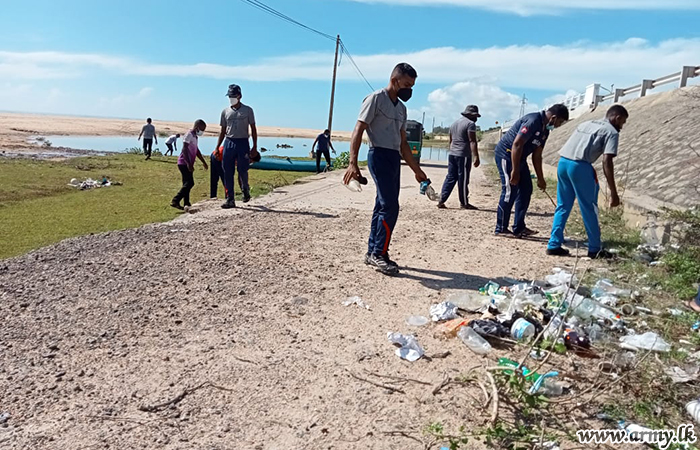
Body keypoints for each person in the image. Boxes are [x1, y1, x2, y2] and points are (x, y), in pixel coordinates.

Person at [343, 62, 428, 276]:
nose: (410, 90)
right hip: (378, 155)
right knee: (390, 207)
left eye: (412, 86)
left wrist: (417, 170)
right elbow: (358, 129)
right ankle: (379, 254)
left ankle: (373, 251)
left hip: (393, 158)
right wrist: (352, 162)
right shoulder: (375, 99)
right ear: (395, 80)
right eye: (407, 84)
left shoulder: (401, 108)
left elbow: (403, 144)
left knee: (382, 205)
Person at [546, 105, 629, 259]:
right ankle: (595, 249)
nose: (621, 127)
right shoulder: (611, 132)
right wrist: (613, 193)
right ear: (617, 118)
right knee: (589, 208)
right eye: (622, 122)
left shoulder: (586, 123)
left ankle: (553, 244)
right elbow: (607, 161)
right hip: (581, 167)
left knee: (563, 205)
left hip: (563, 163)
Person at [494, 104, 569, 238]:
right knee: (510, 190)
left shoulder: (545, 131)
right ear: (553, 117)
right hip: (506, 154)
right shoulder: (533, 121)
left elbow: (537, 155)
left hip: (520, 157)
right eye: (560, 122)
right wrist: (515, 171)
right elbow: (517, 144)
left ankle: (519, 227)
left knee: (526, 189)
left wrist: (541, 178)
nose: (558, 125)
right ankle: (501, 228)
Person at [215, 84, 257, 208]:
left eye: (233, 96)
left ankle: (245, 189)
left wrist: (254, 146)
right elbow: (222, 131)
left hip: (243, 142)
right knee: (227, 170)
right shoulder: (225, 112)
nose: (231, 98)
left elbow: (253, 128)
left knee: (242, 170)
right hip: (229, 142)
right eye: (230, 96)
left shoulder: (248, 110)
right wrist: (217, 147)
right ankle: (230, 199)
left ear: (239, 96)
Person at [437, 105, 481, 210]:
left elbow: (451, 140)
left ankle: (441, 200)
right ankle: (464, 203)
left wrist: (452, 150)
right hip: (463, 156)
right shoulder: (470, 124)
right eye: (475, 116)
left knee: (451, 177)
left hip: (452, 154)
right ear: (470, 115)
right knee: (463, 179)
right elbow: (472, 141)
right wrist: (476, 157)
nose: (476, 119)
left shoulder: (454, 124)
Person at [171, 120, 208, 210]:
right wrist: (188, 164)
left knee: (186, 183)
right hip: (183, 163)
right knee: (190, 183)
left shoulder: (195, 137)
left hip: (189, 163)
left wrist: (203, 162)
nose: (202, 132)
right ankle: (175, 200)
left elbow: (196, 150)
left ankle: (186, 203)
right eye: (202, 129)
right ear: (197, 127)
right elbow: (184, 148)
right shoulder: (189, 134)